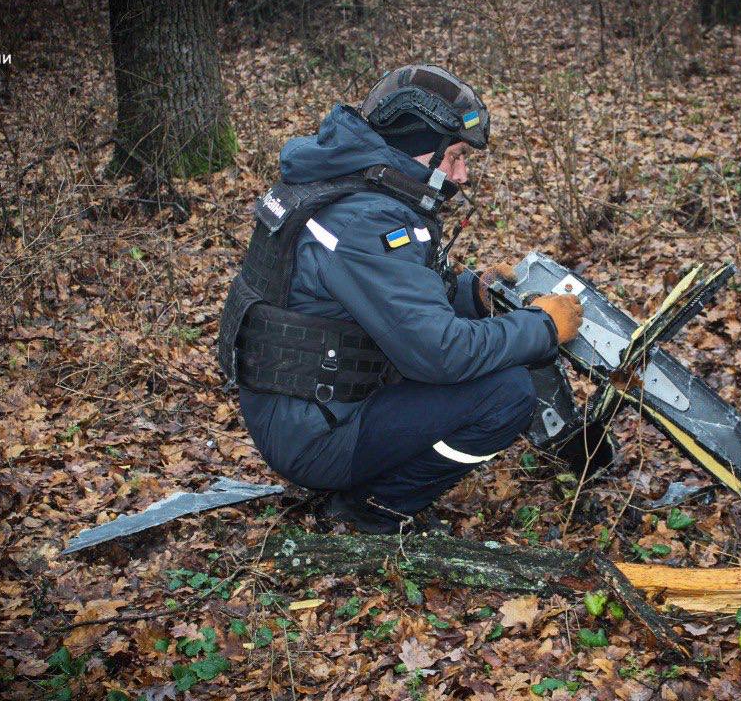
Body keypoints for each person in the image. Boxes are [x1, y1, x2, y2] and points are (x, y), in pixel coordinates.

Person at [216, 65, 583, 534]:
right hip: (316, 434)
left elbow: (393, 298)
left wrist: (473, 293)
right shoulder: (364, 222)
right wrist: (544, 327)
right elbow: (440, 353)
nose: (461, 175)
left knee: (496, 359)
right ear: (418, 151)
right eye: (454, 157)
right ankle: (375, 508)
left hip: (303, 408)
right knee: (507, 394)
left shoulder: (343, 182)